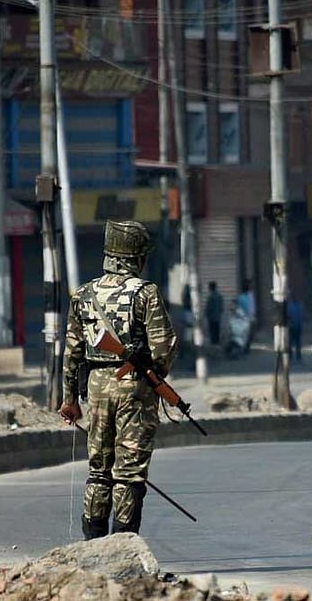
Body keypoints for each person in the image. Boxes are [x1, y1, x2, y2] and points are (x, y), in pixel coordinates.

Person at [59, 220, 178, 539]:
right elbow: (163, 347)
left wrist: (70, 400)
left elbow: (71, 351)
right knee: (128, 474)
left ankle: (93, 544)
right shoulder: (146, 292)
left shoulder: (83, 294)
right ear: (136, 258)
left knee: (98, 470)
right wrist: (156, 376)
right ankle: (123, 544)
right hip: (134, 388)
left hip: (96, 387)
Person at [237, 280, 257, 350]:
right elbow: (252, 307)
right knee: (247, 333)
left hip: (244, 317)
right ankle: (246, 347)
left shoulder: (241, 297)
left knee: (246, 333)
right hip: (248, 317)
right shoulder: (249, 296)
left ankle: (246, 346)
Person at [205, 281, 224, 346]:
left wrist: (206, 314)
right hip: (218, 317)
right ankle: (217, 343)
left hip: (211, 317)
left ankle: (213, 344)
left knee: (212, 331)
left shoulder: (210, 297)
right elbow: (221, 307)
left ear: (210, 288)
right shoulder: (219, 296)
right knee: (217, 330)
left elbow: (208, 307)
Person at [286, 293, 304, 362]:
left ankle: (297, 356)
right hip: (294, 326)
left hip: (296, 326)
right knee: (293, 342)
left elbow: (300, 316)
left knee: (296, 342)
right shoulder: (294, 305)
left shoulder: (295, 305)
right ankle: (294, 356)